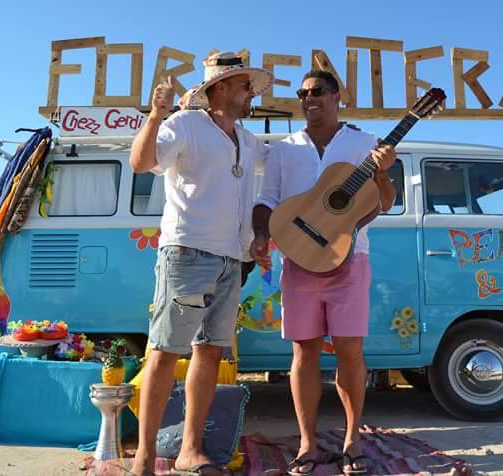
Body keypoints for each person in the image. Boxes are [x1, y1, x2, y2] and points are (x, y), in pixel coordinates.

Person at [128, 52, 272, 476]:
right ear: (221, 88)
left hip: (232, 259)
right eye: (246, 86)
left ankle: (191, 450)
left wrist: (336, 144)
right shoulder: (184, 125)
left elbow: (285, 164)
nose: (252, 94)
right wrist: (156, 114)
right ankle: (144, 456)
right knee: (165, 351)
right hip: (187, 253)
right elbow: (141, 163)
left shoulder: (247, 140)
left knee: (209, 353)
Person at [250, 70, 396, 476]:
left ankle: (352, 441)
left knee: (351, 354)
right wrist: (261, 234)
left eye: (317, 92)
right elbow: (267, 199)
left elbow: (383, 203)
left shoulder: (364, 144)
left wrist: (383, 173)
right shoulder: (284, 149)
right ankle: (307, 444)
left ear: (336, 96)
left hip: (350, 260)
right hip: (298, 261)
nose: (308, 98)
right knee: (304, 353)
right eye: (303, 93)